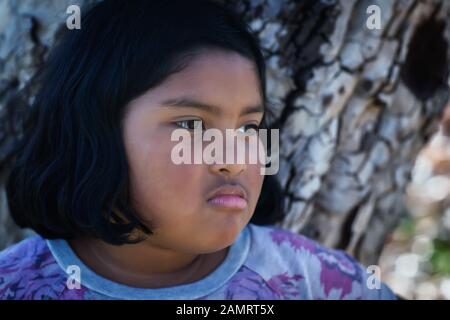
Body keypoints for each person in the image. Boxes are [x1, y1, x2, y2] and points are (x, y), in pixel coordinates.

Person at [0, 0, 396, 300]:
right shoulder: (15, 286)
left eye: (248, 128)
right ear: (93, 132)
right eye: (192, 125)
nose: (234, 158)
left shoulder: (309, 280)